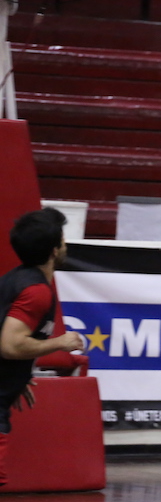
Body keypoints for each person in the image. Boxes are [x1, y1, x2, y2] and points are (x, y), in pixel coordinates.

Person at [0, 207, 85, 487]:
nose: (65, 245)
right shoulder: (36, 292)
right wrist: (60, 342)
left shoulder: (15, 279)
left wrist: (15, 375)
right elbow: (11, 345)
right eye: (62, 240)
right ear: (53, 250)